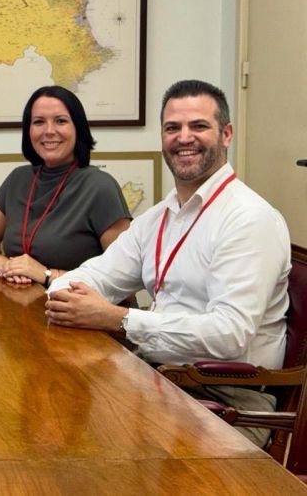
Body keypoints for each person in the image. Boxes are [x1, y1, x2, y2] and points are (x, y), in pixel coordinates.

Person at [45, 79, 291, 446]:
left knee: (87, 443)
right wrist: (67, 294)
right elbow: (95, 274)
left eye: (198, 126)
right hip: (160, 376)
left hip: (228, 399)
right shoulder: (160, 217)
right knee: (53, 415)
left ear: (226, 134)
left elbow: (229, 335)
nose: (184, 138)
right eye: (172, 128)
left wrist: (118, 319)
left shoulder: (249, 219)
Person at [0, 86, 131, 286]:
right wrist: (7, 265)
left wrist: (47, 274)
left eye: (61, 121)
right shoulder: (17, 179)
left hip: (73, 304)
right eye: (39, 122)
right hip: (16, 302)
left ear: (78, 128)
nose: (49, 131)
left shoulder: (100, 187)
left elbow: (125, 280)